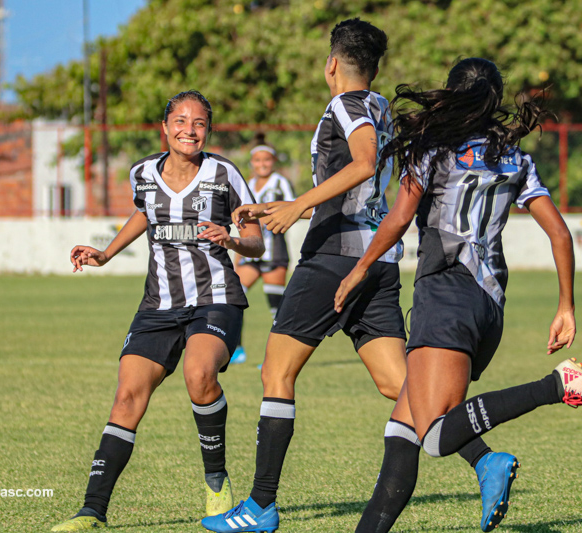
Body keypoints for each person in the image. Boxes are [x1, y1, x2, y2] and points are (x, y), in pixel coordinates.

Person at [333, 58, 582, 533]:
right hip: (488, 305)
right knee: (401, 437)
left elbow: (399, 218)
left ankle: (556, 386)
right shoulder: (516, 157)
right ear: (494, 100)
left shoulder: (433, 149)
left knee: (437, 437)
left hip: (443, 293)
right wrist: (565, 306)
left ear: (451, 93)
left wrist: (359, 269)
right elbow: (560, 234)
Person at [202, 18, 410, 533]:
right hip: (376, 261)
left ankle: (260, 506)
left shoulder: (346, 103)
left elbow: (362, 165)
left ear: (332, 64)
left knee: (277, 374)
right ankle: (484, 457)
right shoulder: (382, 107)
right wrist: (285, 205)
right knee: (400, 385)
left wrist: (298, 207)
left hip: (333, 257)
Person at [51, 91, 264, 532]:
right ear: (165, 128)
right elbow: (143, 215)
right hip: (158, 304)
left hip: (216, 298)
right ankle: (91, 511)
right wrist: (107, 253)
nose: (190, 129)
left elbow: (257, 242)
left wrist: (232, 240)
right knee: (126, 396)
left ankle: (216, 480)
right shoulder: (143, 173)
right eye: (181, 121)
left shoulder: (224, 174)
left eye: (200, 122)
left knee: (199, 375)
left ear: (209, 130)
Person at [230, 134, 297, 365]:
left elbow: (294, 209)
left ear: (273, 161)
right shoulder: (247, 185)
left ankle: (277, 357)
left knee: (275, 306)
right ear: (252, 163)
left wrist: (272, 218)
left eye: (266, 160)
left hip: (274, 252)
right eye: (257, 160)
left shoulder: (281, 183)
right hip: (250, 251)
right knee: (234, 297)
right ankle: (236, 349)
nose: (262, 164)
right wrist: (238, 254)